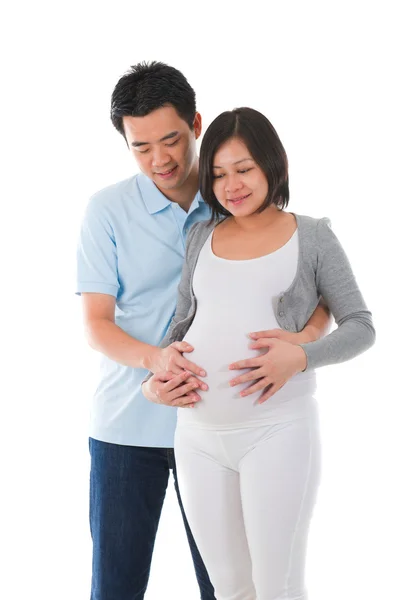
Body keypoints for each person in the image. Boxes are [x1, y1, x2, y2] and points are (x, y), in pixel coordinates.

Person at [76, 62, 331, 600]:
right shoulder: (106, 211)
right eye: (140, 147)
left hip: (226, 429)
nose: (159, 159)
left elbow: (315, 292)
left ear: (196, 124)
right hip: (127, 430)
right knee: (114, 589)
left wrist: (302, 346)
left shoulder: (236, 202)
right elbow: (97, 325)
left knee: (229, 588)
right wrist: (154, 361)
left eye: (170, 139)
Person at [142, 107, 375, 600]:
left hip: (276, 431)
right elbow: (181, 323)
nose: (232, 186)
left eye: (244, 169)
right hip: (197, 438)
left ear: (273, 165)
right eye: (219, 174)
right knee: (229, 588)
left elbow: (361, 325)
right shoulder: (201, 236)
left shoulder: (311, 235)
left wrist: (302, 356)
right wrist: (156, 379)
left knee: (277, 586)